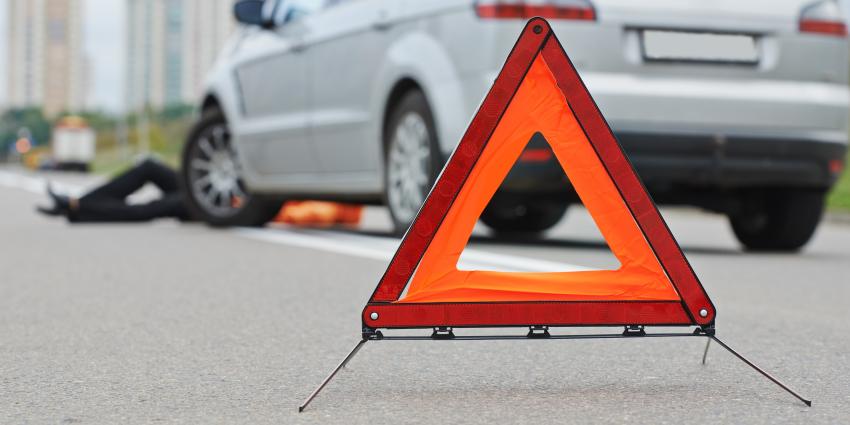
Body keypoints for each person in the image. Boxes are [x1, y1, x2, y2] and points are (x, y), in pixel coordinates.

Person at [38, 158, 192, 222]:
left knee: (155, 207)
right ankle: (78, 204)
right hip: (199, 186)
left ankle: (76, 207)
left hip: (209, 207)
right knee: (149, 167)